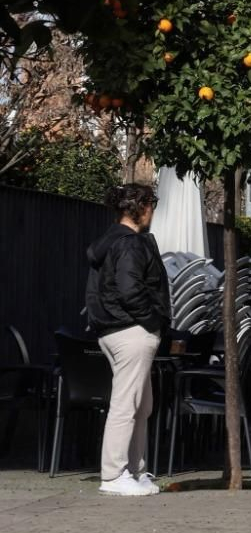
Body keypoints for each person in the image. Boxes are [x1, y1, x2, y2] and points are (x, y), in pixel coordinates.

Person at [85, 183, 169, 498]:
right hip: (131, 331)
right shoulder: (131, 244)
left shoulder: (110, 240)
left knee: (141, 404)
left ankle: (135, 470)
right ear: (141, 208)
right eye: (151, 206)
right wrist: (151, 323)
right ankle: (114, 473)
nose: (152, 213)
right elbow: (130, 288)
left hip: (113, 329)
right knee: (126, 404)